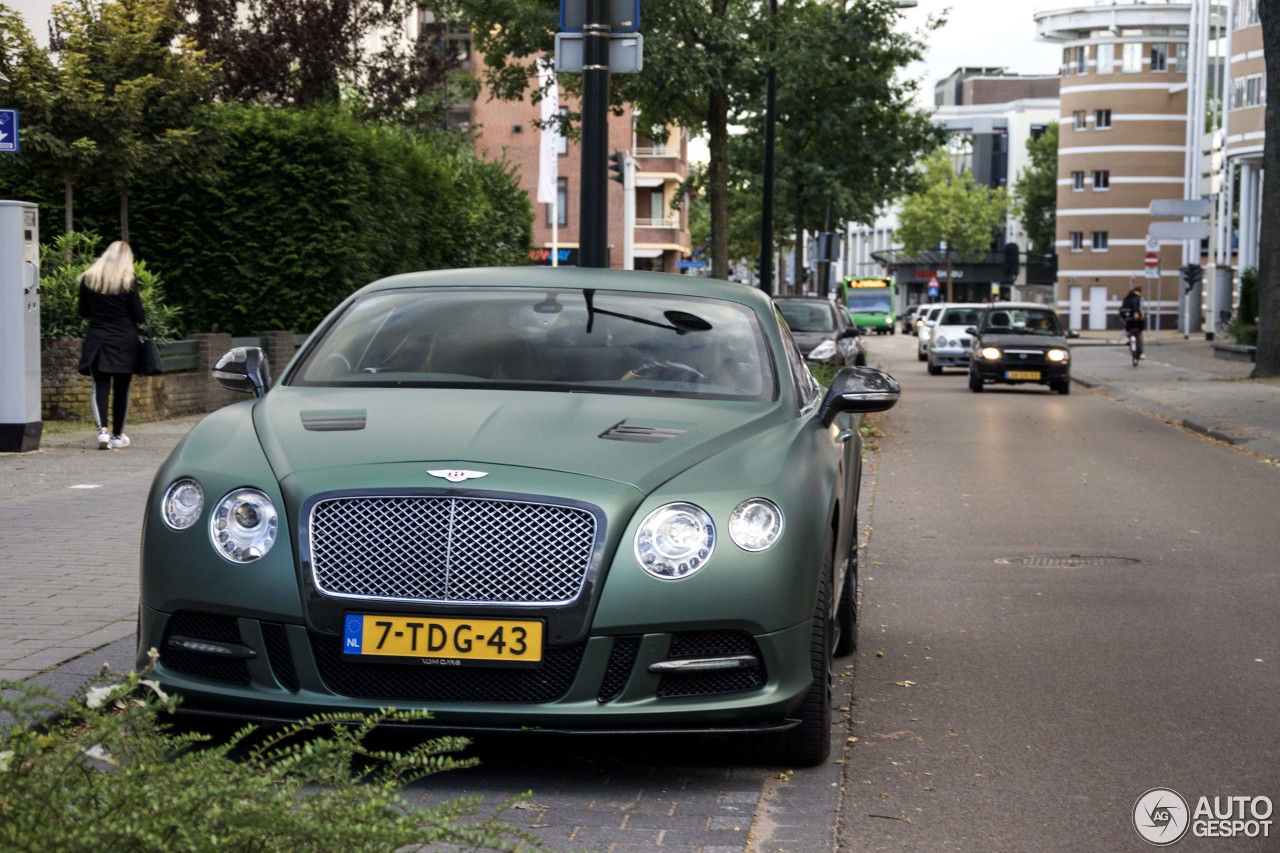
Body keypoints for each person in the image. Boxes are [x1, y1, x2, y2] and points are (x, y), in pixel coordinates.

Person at [76, 241, 148, 449]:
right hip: (124, 339)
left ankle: (102, 432)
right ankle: (118, 435)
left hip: (98, 338)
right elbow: (138, 315)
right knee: (122, 389)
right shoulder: (128, 281)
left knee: (100, 385)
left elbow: (83, 311)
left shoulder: (89, 279)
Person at [1119, 284, 1146, 357]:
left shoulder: (1127, 298)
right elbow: (1141, 308)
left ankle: (1126, 338)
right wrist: (1142, 316)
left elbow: (1122, 309)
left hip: (1128, 318)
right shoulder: (1140, 298)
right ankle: (1141, 353)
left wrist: (1123, 317)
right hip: (1137, 320)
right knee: (1139, 333)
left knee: (1127, 327)